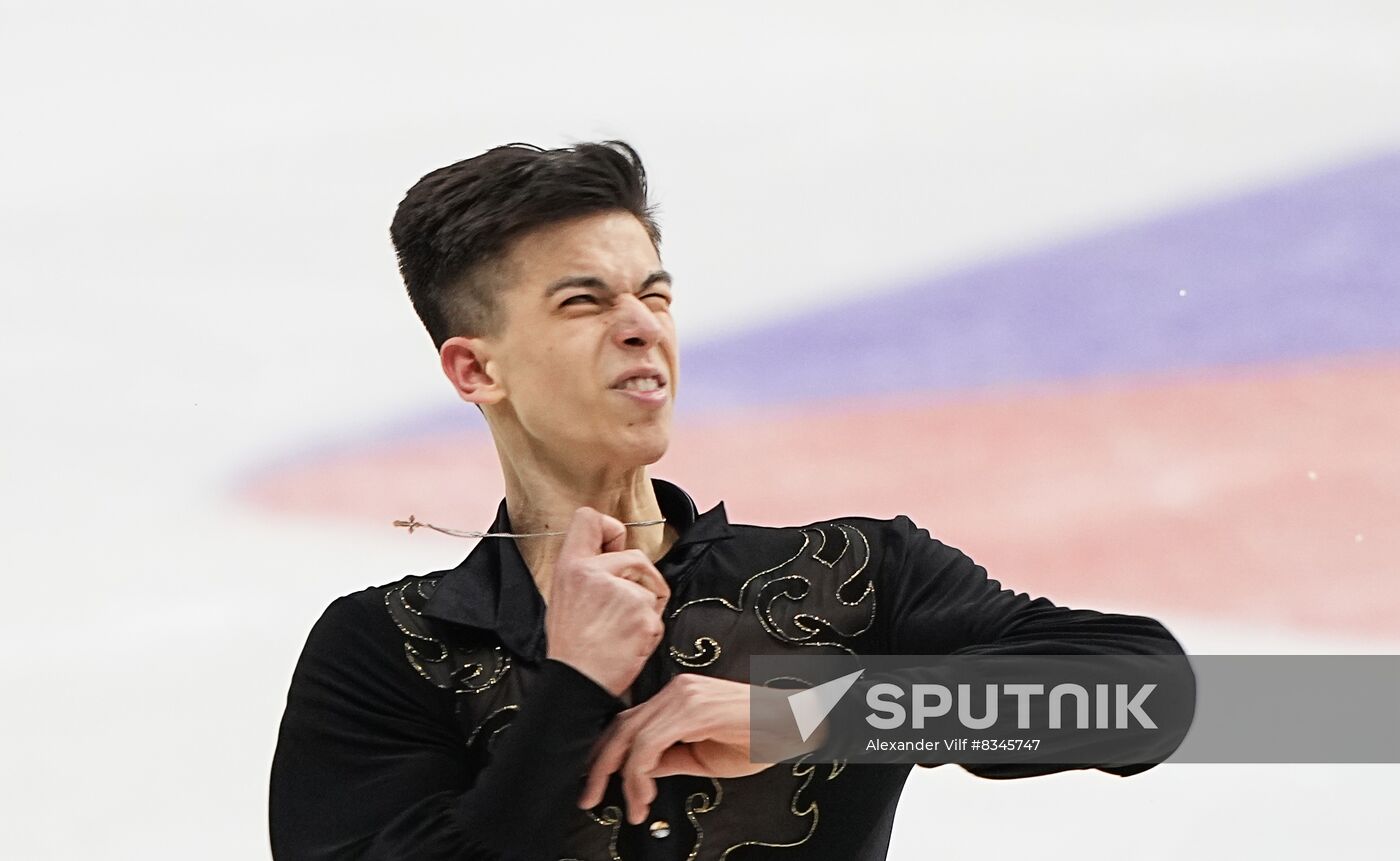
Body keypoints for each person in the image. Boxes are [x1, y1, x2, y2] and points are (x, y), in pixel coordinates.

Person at [268, 141, 1190, 860]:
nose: (640, 325)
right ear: (477, 366)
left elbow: (1148, 699)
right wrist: (576, 686)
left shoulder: (849, 577)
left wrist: (818, 711)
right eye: (584, 302)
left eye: (654, 293)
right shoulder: (393, 650)